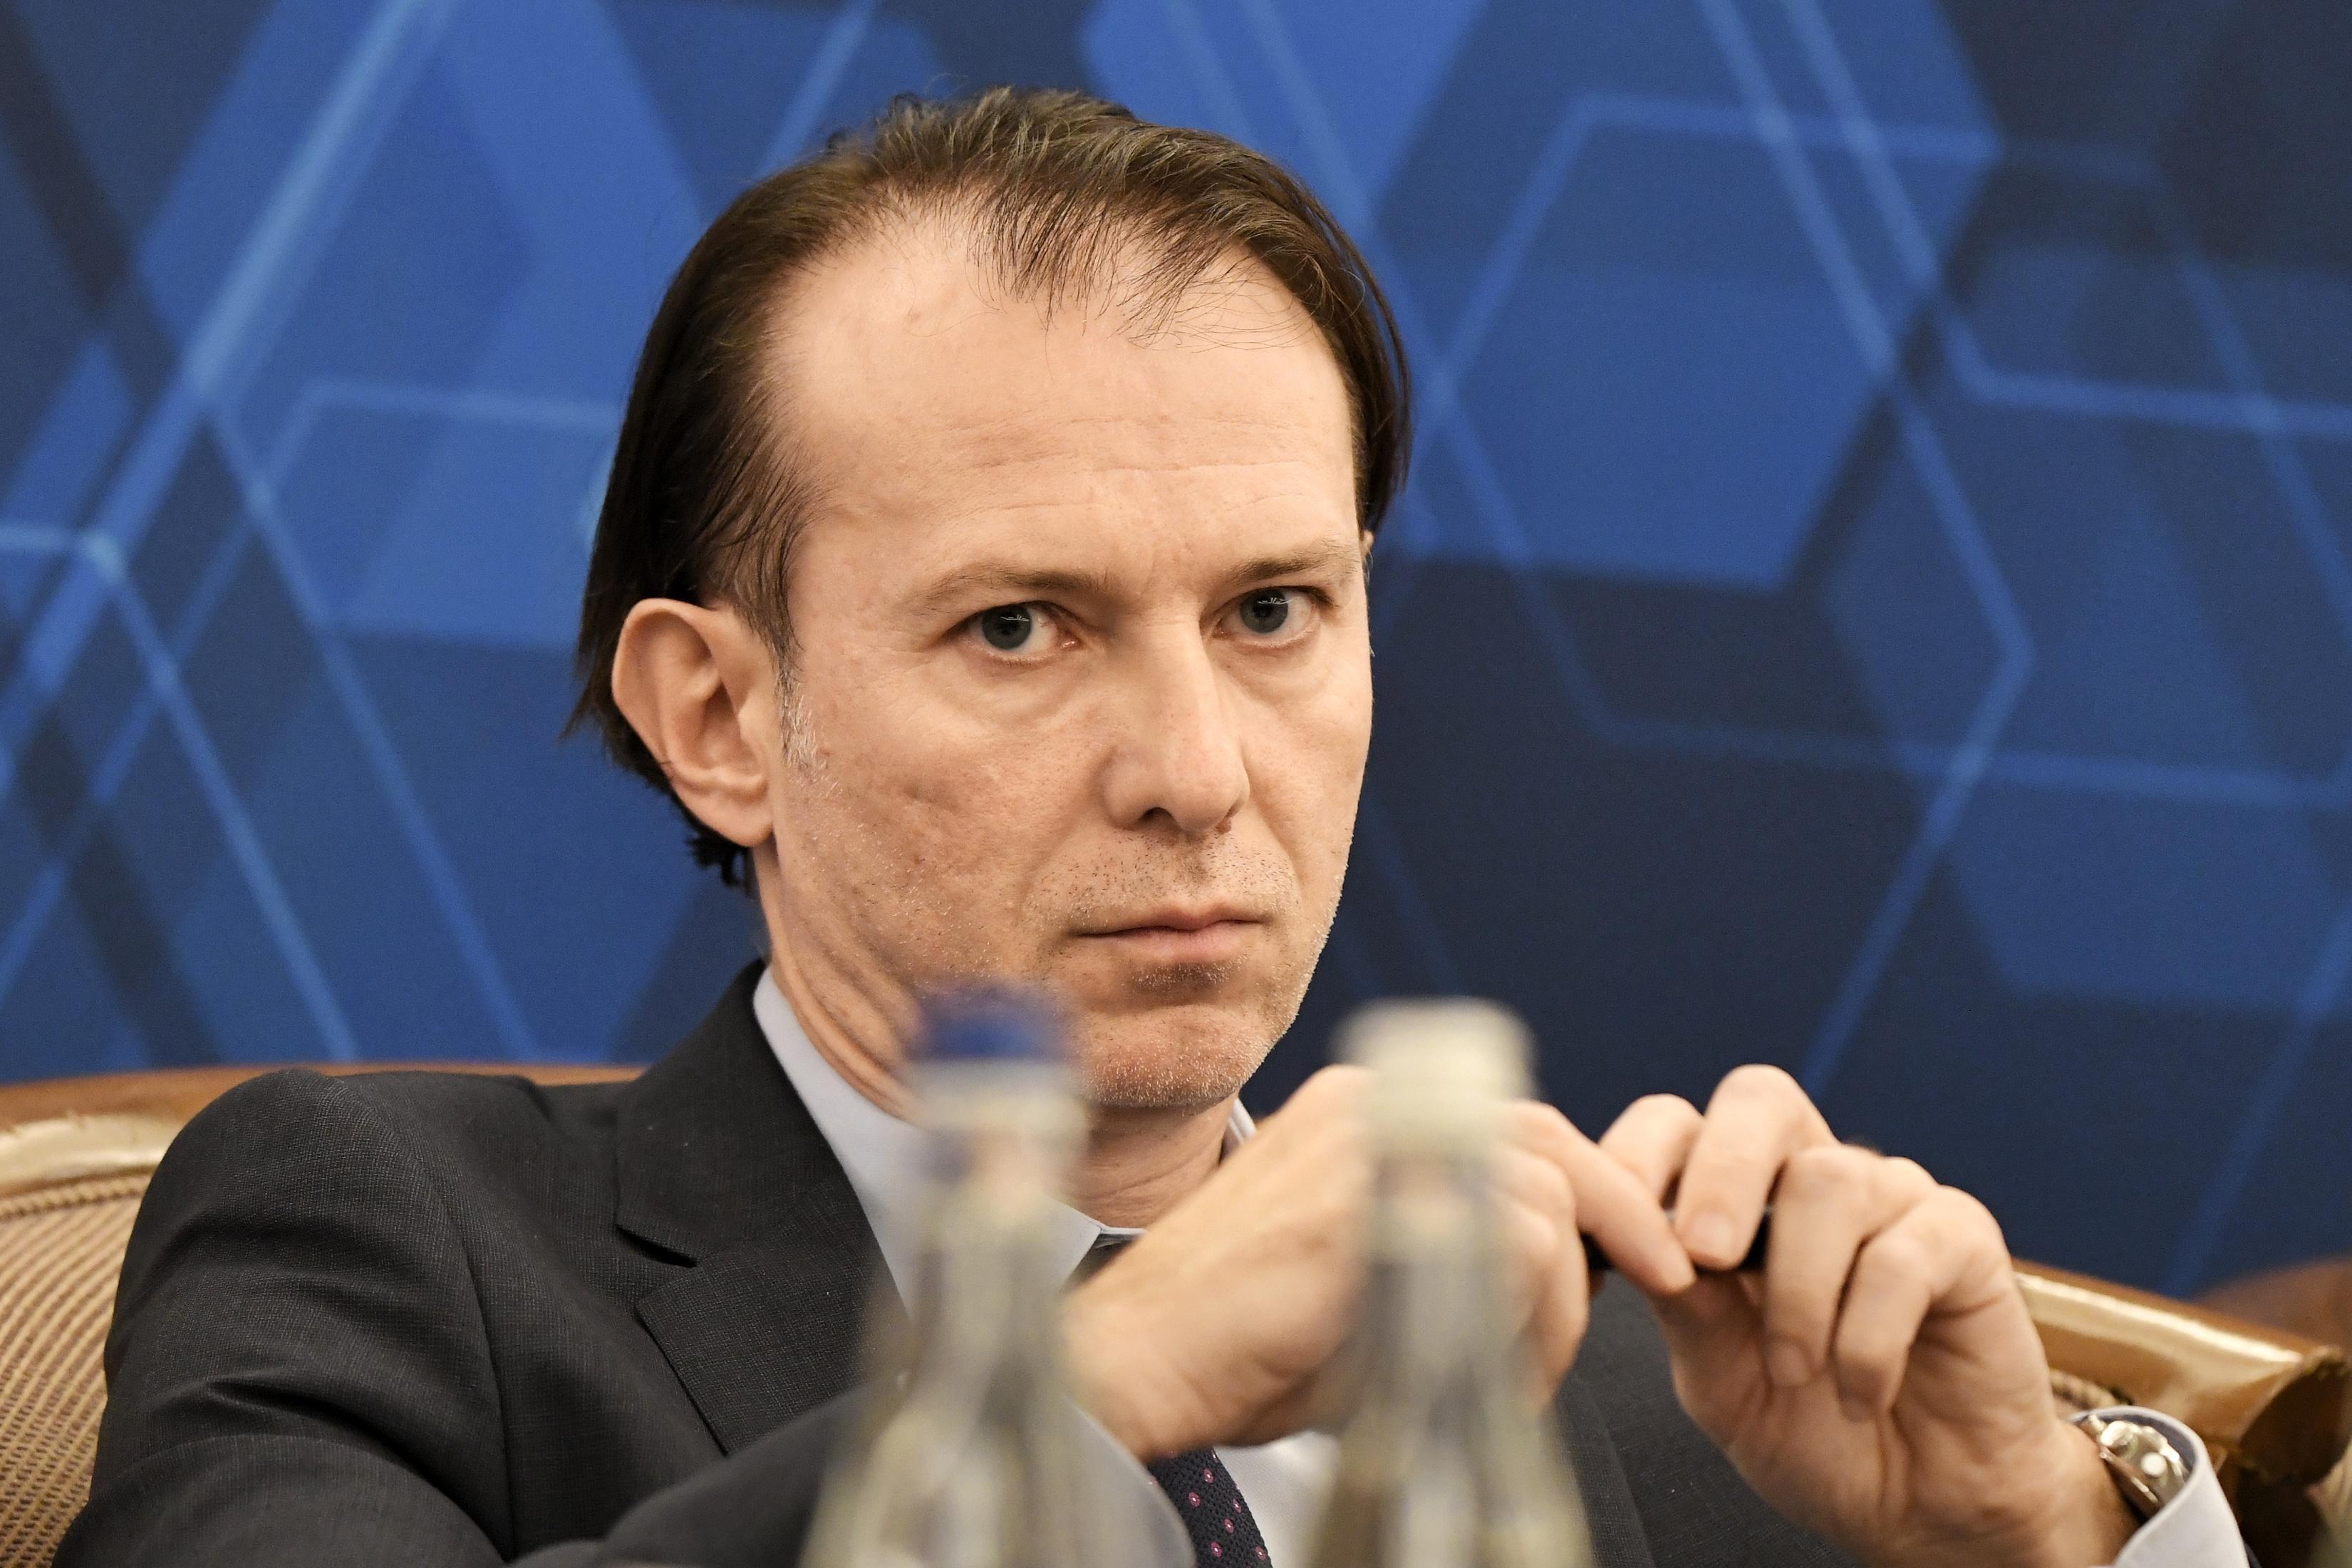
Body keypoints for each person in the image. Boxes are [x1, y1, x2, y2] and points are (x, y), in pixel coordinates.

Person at [60, 88, 2242, 1568]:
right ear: (719, 715)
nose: (1198, 769)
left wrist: (2041, 1532)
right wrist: (1081, 1389)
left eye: (1275, 610)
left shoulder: (1678, 1400)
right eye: (1019, 626)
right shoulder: (390, 1244)